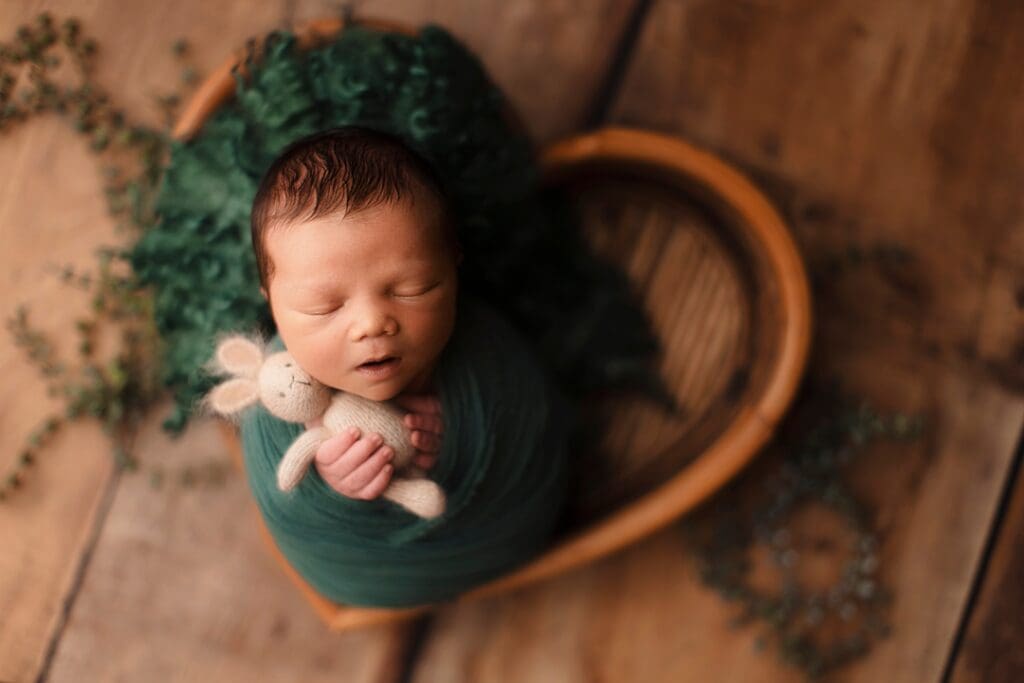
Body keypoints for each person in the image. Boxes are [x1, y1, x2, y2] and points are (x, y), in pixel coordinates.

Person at [249, 126, 461, 503]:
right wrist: (337, 485)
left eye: (412, 289)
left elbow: (525, 422)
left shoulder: (485, 356)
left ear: (454, 269)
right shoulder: (276, 397)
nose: (371, 325)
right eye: (323, 307)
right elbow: (282, 500)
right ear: (273, 307)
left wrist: (463, 434)